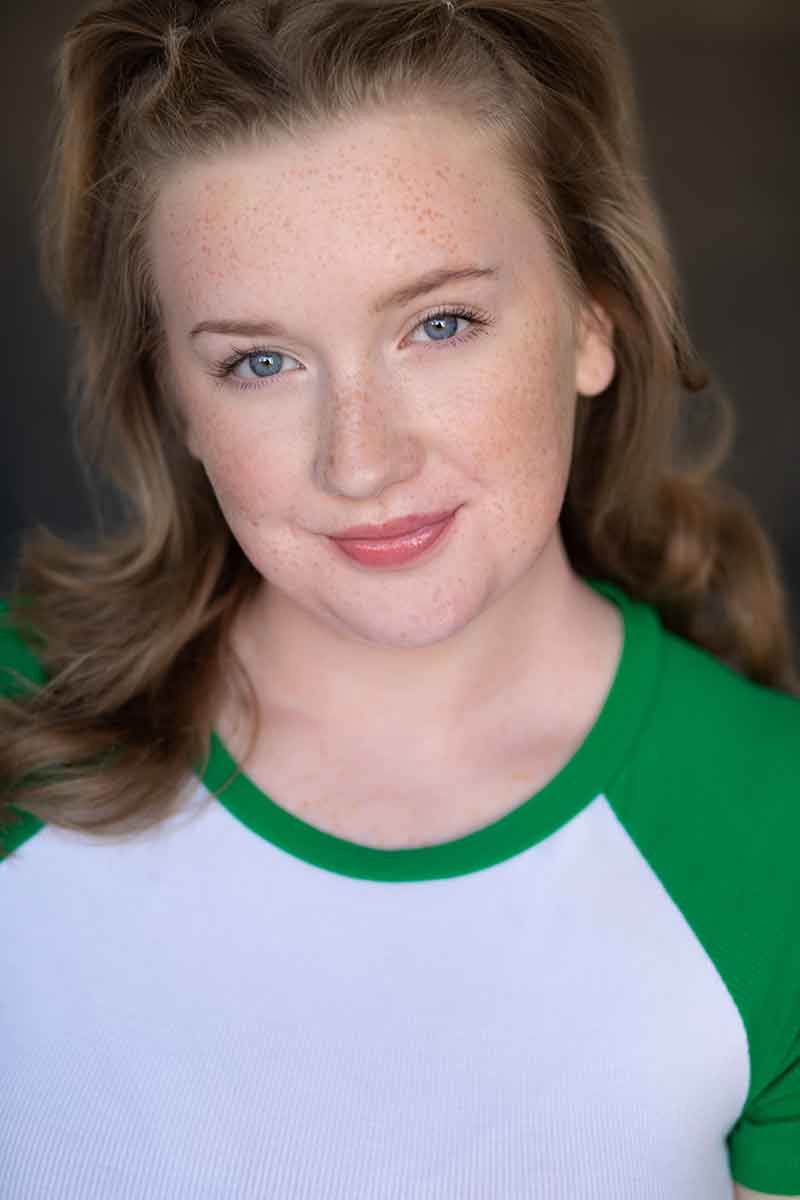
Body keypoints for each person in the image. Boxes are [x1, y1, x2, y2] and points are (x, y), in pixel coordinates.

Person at [1, 0, 798, 1196]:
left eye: (439, 323)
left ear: (592, 320)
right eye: (259, 362)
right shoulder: (18, 728)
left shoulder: (774, 833)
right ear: (175, 403)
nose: (359, 462)